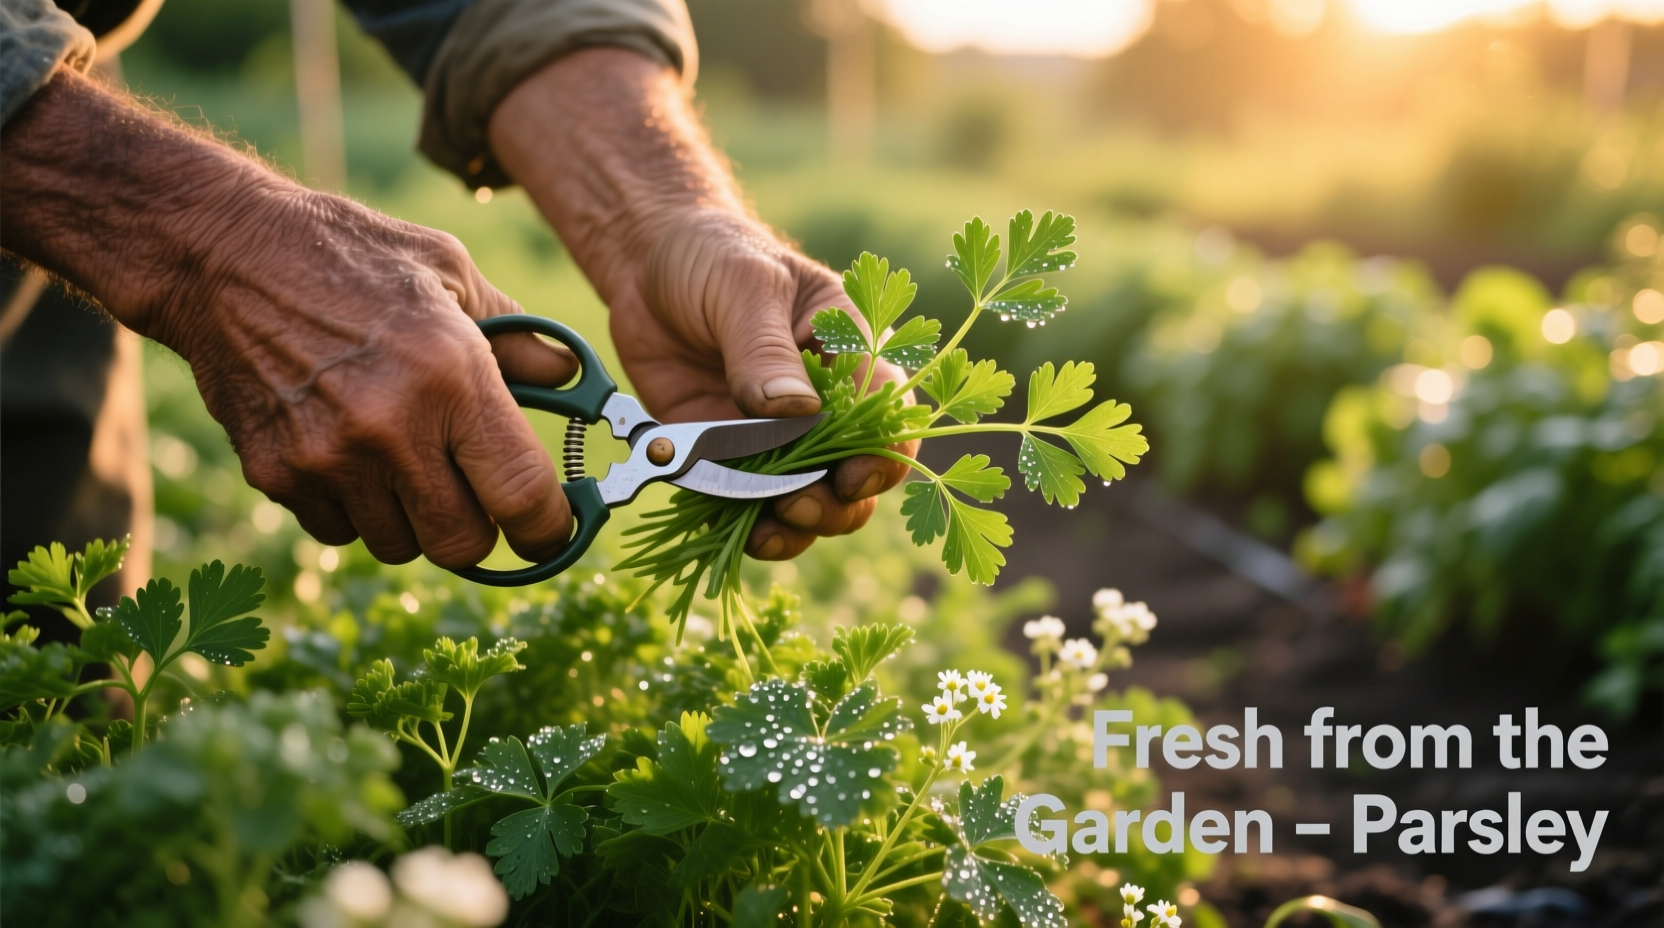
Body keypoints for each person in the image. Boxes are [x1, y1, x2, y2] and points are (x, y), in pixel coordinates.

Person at [0, 0, 917, 620]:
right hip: (52, 173)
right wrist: (208, 239)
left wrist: (659, 211)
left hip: (42, 292)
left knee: (61, 697)